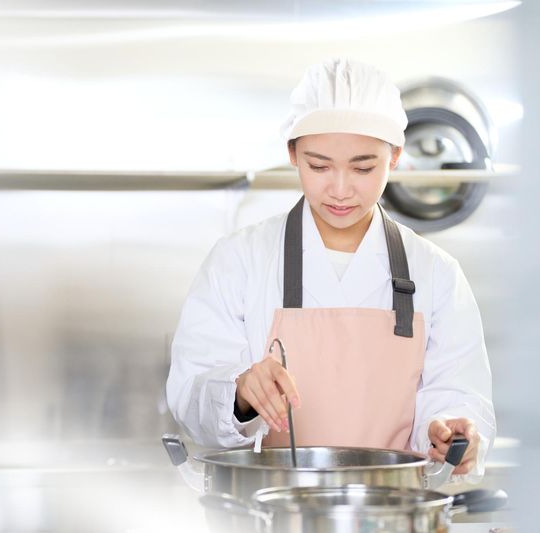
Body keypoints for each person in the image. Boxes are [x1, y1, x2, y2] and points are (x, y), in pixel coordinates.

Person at [166, 58, 495, 482]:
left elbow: (457, 394)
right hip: (271, 505)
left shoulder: (436, 273)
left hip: (394, 507)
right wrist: (240, 394)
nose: (340, 189)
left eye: (363, 168)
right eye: (319, 166)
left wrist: (449, 433)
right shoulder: (239, 261)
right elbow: (190, 398)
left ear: (395, 157)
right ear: (292, 154)